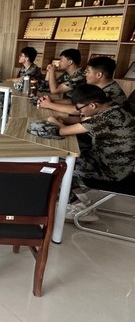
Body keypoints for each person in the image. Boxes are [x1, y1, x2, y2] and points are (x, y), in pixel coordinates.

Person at [47, 84, 135, 221]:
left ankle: (78, 207)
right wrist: (63, 119)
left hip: (111, 171)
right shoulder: (114, 109)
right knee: (67, 155)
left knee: (53, 166)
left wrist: (53, 120)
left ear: (93, 105)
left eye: (79, 108)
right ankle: (83, 200)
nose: (79, 112)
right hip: (116, 163)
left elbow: (63, 131)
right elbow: (83, 121)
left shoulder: (106, 118)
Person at [38, 56, 129, 114]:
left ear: (99, 75)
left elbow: (78, 110)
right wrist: (52, 101)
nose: (85, 74)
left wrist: (49, 105)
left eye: (88, 72)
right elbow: (77, 101)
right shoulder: (99, 86)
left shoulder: (109, 93)